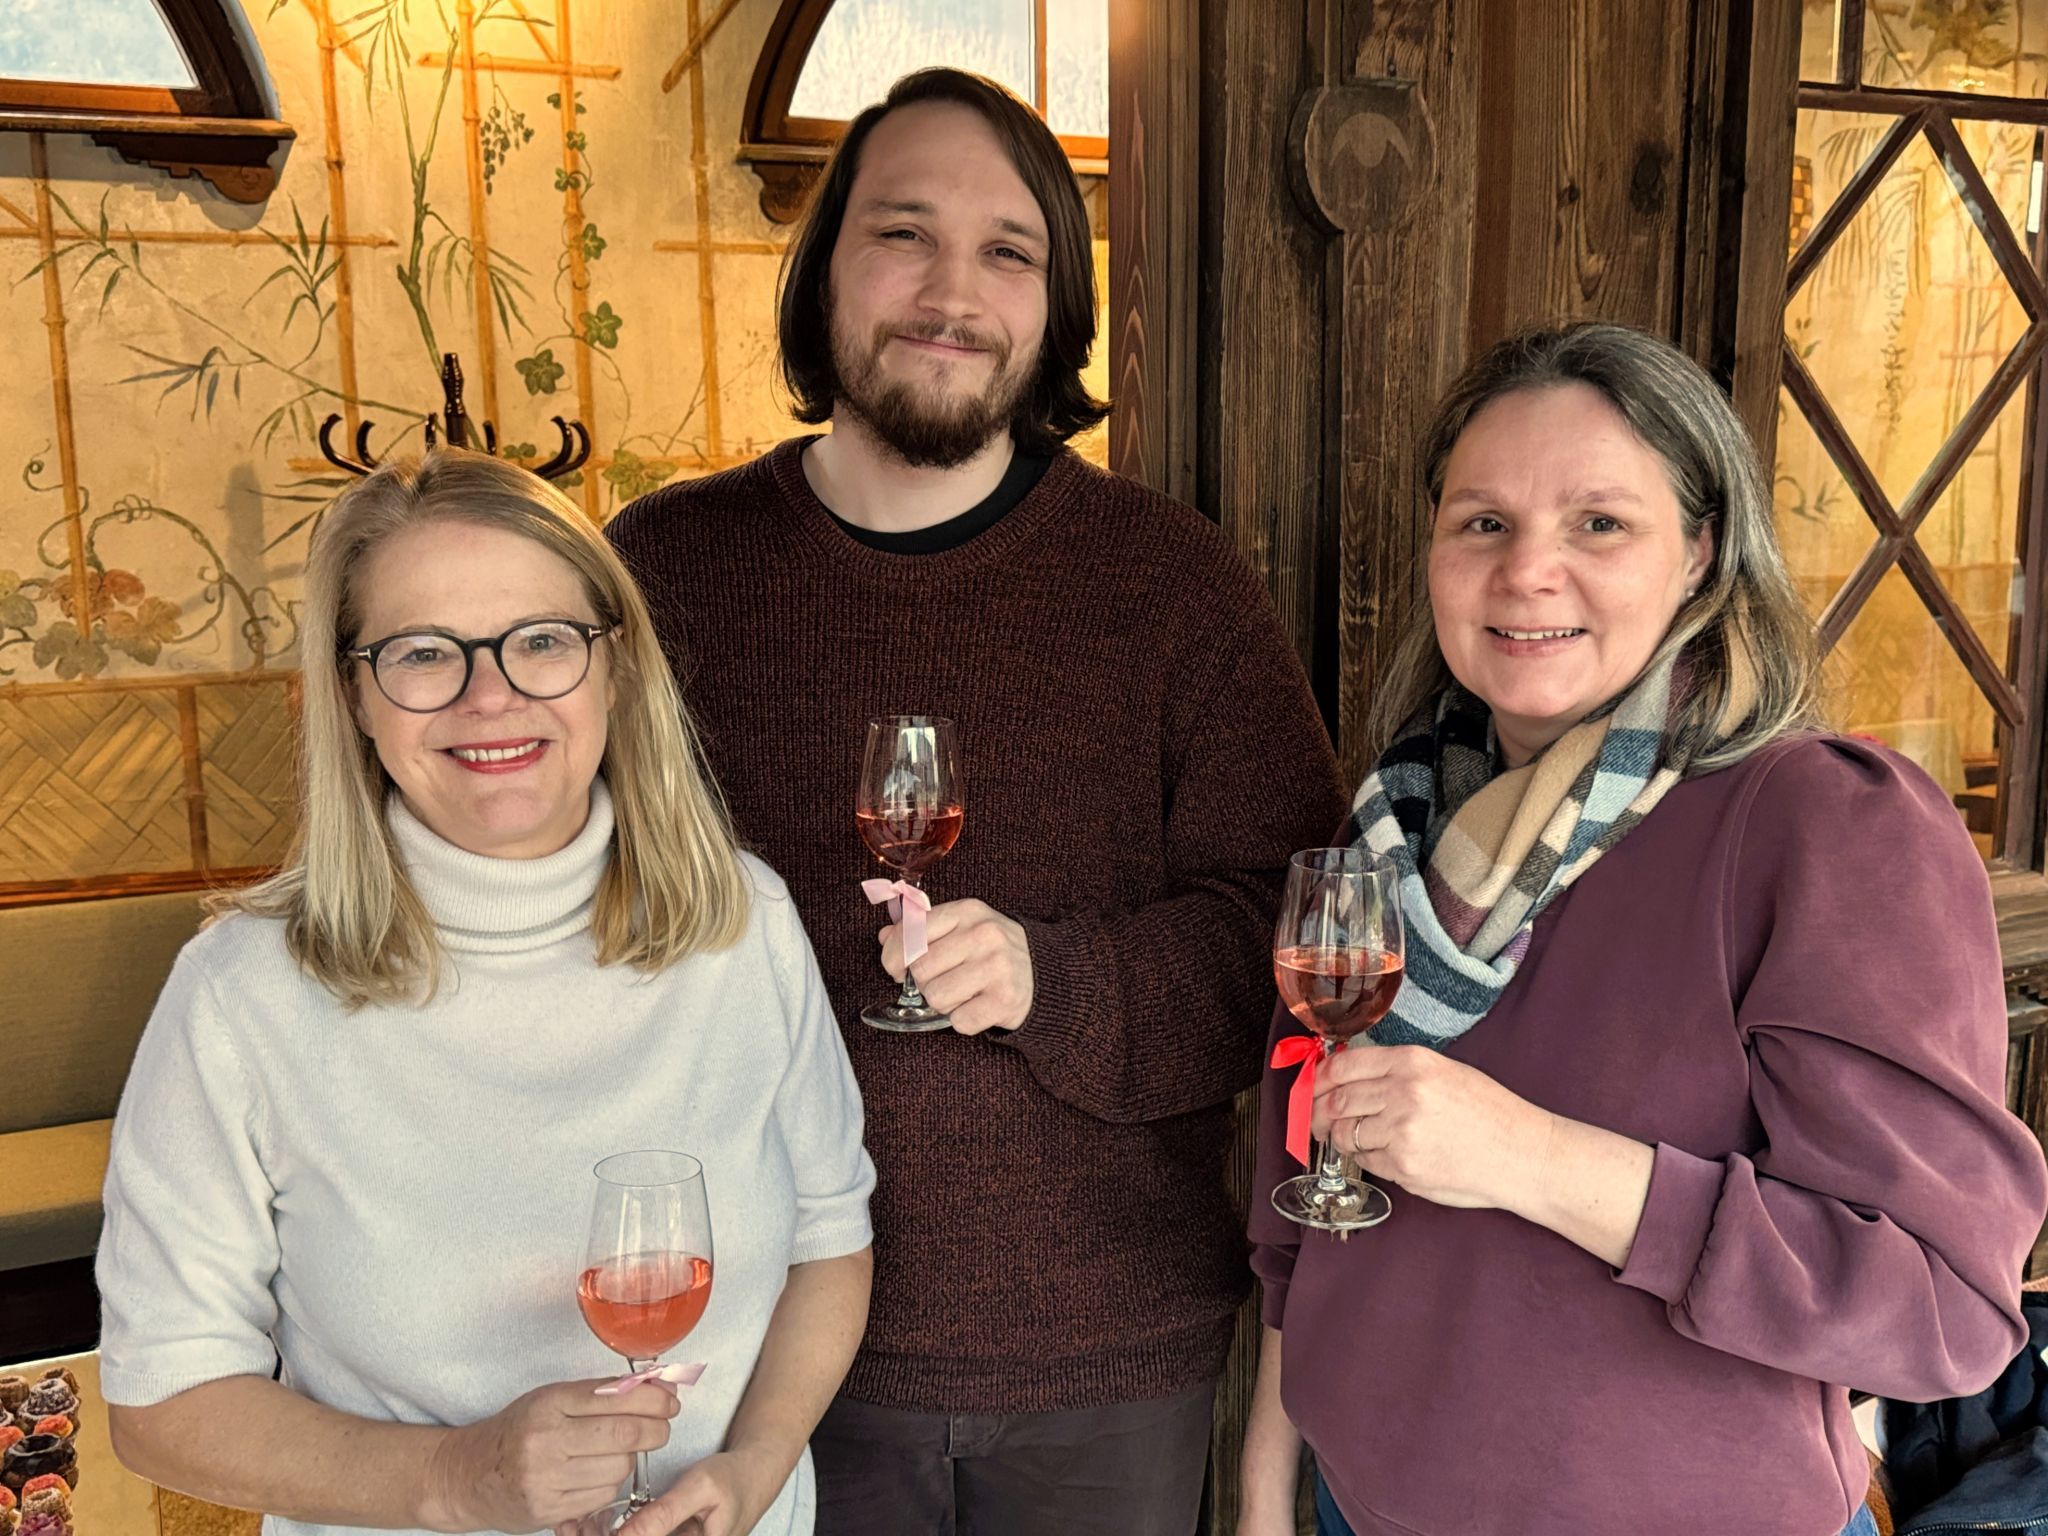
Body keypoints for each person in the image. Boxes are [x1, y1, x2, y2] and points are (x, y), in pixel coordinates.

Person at [607, 66, 1347, 1536]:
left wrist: (1054, 977)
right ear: (823, 274)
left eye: (1009, 251)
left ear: (1056, 306)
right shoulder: (663, 571)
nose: (954, 291)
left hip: (1105, 1350)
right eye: (903, 234)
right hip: (763, 1351)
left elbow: (1297, 935)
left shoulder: (1172, 584)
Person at [1236, 321, 2048, 1536]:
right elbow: (1303, 1224)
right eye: (1482, 522)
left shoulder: (1819, 824)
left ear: (1699, 555)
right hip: (1355, 1504)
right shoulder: (1392, 833)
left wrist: (1529, 1158)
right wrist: (1261, 1498)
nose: (1526, 571)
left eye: (1597, 523)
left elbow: (1935, 1305)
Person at [96, 450, 875, 1536]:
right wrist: (456, 1479)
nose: (490, 694)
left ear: (617, 669)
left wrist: (751, 1468)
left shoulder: (742, 922)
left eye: (542, 640)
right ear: (354, 693)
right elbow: (160, 1402)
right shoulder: (243, 996)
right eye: (423, 653)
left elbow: (828, 1246)